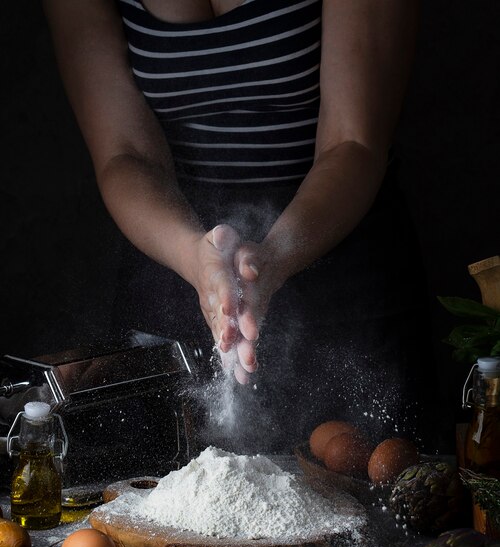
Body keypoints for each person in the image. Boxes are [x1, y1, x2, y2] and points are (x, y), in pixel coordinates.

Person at [43, 0, 430, 452]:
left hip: (338, 271)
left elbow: (353, 142)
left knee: (367, 493)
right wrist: (196, 259)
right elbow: (124, 154)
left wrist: (273, 256)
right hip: (171, 262)